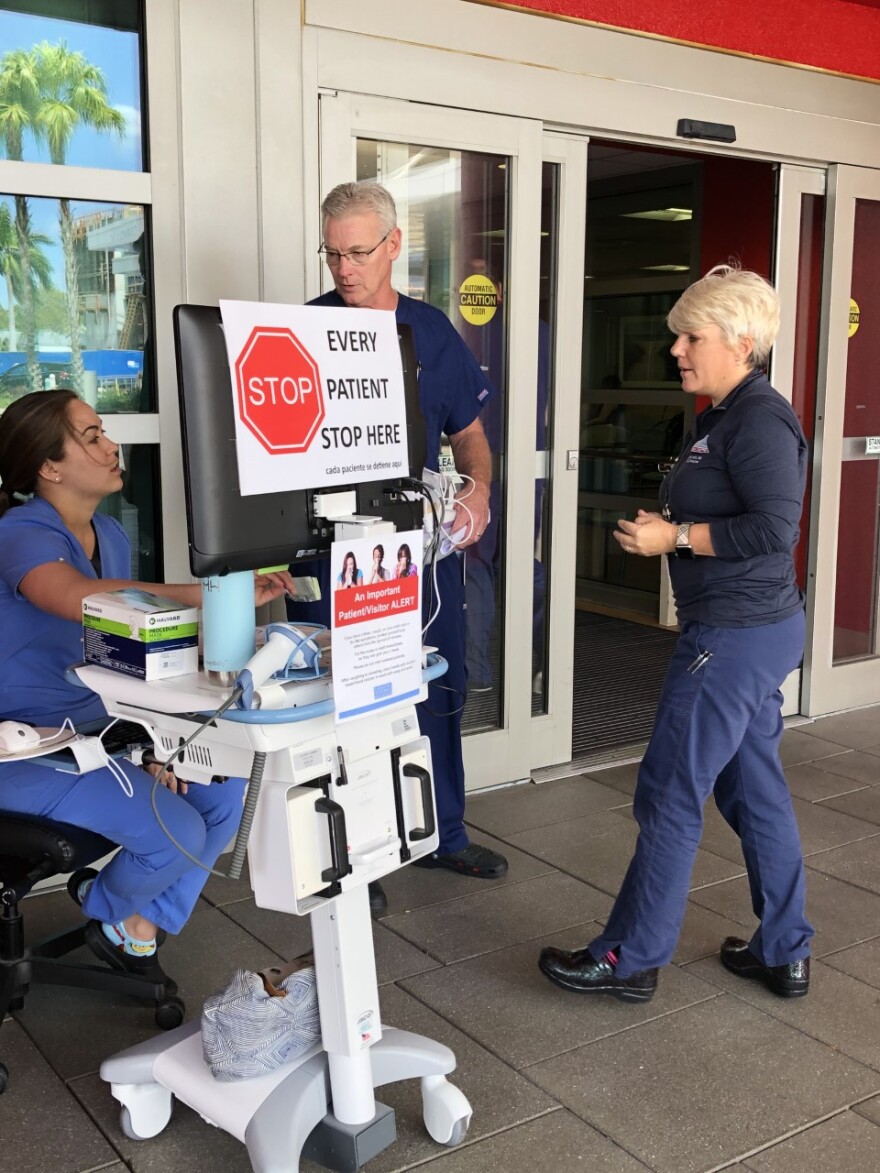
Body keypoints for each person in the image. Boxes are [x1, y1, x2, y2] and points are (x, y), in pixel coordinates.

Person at [539, 265, 813, 1003]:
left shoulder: (759, 419)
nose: (676, 350)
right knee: (752, 788)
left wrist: (677, 537)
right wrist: (673, 533)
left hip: (733, 636)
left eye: (692, 337)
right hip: (750, 630)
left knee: (669, 790)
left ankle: (629, 957)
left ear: (741, 341)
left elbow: (772, 528)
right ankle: (784, 948)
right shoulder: (721, 415)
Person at [0, 390, 293, 985]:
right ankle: (105, 909)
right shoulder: (20, 534)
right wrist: (214, 591)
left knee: (224, 789)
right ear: (48, 467)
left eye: (104, 431)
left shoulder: (107, 532)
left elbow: (128, 652)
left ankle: (131, 930)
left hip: (95, 730)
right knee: (177, 832)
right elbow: (89, 604)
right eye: (91, 437)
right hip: (20, 747)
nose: (112, 446)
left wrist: (160, 737)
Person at [289, 181, 508, 908]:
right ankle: (354, 857)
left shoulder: (431, 331)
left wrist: (477, 488)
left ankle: (443, 832)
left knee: (435, 687)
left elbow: (471, 437)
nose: (343, 268)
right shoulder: (301, 330)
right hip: (332, 553)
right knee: (342, 702)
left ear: (392, 246)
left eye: (357, 252)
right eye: (331, 252)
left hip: (420, 555)